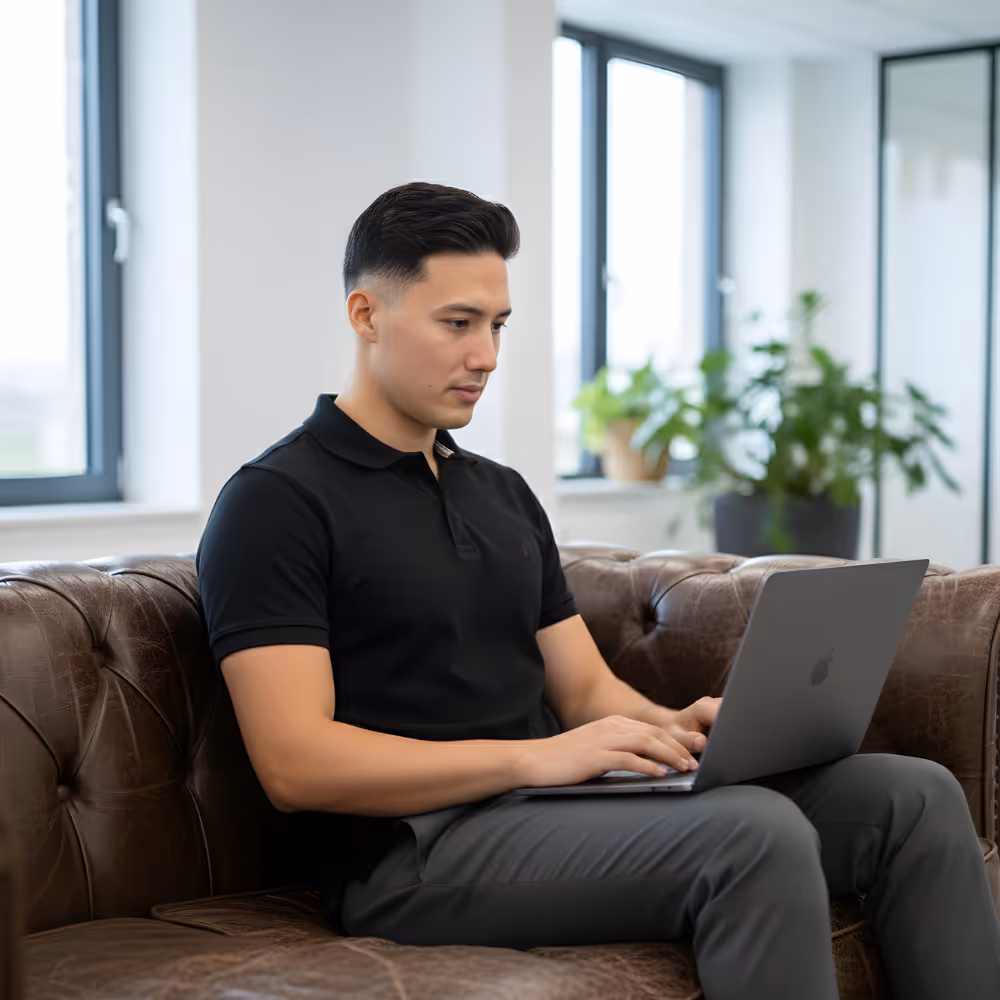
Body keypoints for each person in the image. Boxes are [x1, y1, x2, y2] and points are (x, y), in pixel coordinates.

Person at [196, 181, 1000, 999]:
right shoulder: (275, 501)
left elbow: (583, 689)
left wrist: (670, 729)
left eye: (498, 325)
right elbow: (295, 763)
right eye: (458, 323)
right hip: (413, 851)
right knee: (752, 837)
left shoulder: (502, 494)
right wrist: (539, 759)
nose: (487, 357)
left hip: (550, 804)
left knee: (914, 795)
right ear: (367, 315)